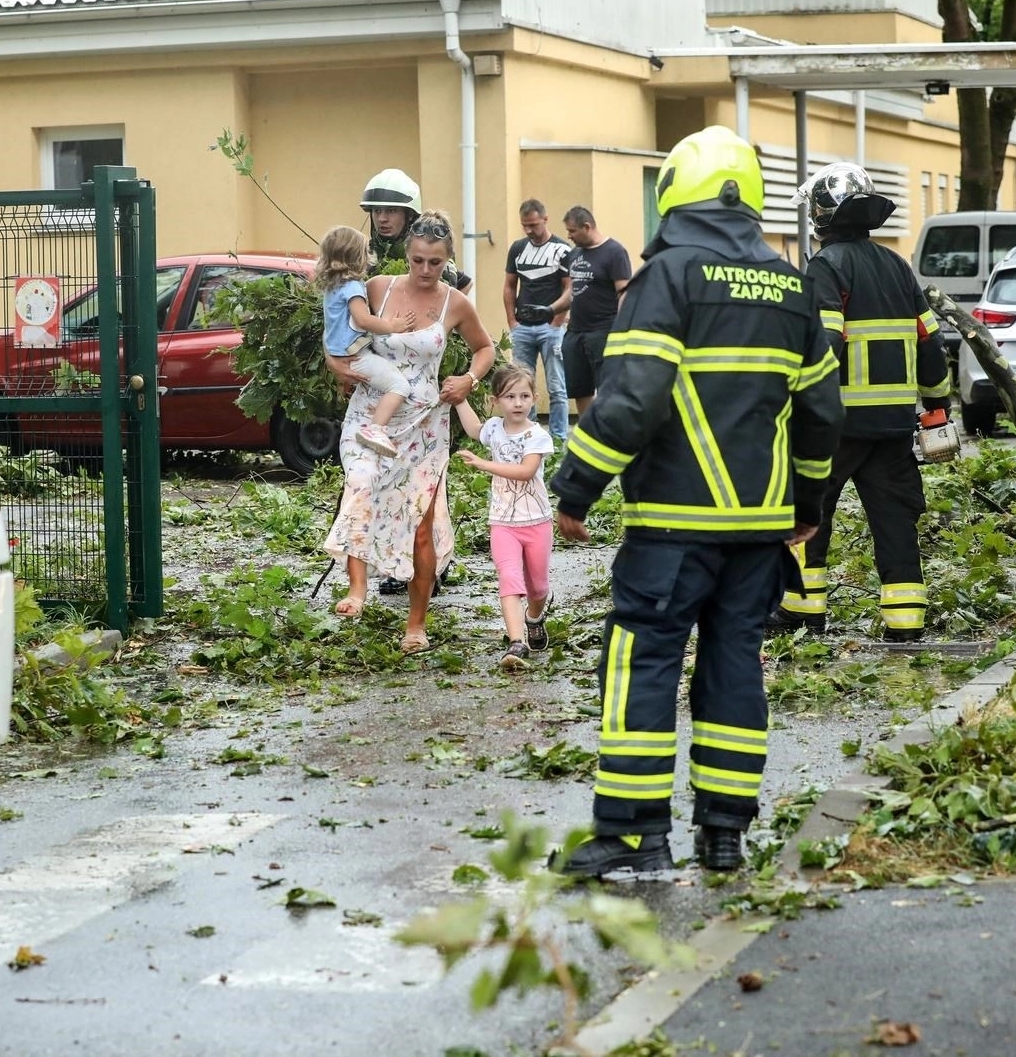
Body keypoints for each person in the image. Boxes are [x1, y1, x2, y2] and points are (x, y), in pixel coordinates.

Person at [548, 126, 843, 879]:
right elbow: (820, 412)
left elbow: (632, 398)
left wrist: (576, 485)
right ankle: (724, 833)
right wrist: (806, 501)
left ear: (678, 189)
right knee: (734, 665)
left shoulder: (669, 276)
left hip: (673, 526)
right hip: (758, 530)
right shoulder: (791, 284)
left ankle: (634, 835)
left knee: (642, 661)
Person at [767, 162, 953, 643]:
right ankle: (905, 624)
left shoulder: (827, 266)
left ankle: (803, 612)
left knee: (808, 513)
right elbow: (930, 345)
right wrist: (937, 408)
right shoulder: (896, 266)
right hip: (893, 427)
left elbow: (824, 341)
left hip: (838, 425)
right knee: (895, 524)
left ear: (822, 216)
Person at [324, 210, 497, 653]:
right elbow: (337, 333)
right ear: (406, 254)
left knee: (421, 523)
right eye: (418, 260)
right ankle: (357, 590)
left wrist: (469, 380)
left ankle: (415, 624)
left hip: (425, 425)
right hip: (371, 415)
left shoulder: (454, 302)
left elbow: (485, 348)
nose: (425, 270)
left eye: (435, 263)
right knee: (360, 488)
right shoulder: (377, 289)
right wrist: (338, 366)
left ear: (447, 261)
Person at [453, 364, 556, 670]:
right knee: (509, 580)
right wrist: (459, 399)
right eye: (510, 396)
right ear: (496, 400)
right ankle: (517, 642)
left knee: (538, 588)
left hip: (537, 521)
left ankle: (534, 617)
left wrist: (483, 465)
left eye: (525, 395)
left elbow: (525, 472)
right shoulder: (495, 428)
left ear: (535, 398)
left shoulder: (537, 435)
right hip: (503, 523)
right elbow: (474, 429)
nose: (518, 402)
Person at [317, 225, 419, 457]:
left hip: (342, 355)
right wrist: (393, 326)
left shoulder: (333, 287)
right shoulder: (353, 287)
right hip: (356, 357)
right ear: (357, 256)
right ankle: (376, 429)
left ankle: (357, 426)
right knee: (399, 386)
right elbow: (363, 319)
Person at [546, 206, 631, 420]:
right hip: (576, 333)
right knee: (580, 390)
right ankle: (587, 433)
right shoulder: (575, 254)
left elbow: (625, 293)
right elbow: (573, 291)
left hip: (603, 331)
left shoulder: (614, 252)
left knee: (607, 390)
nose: (569, 236)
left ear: (587, 226)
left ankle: (608, 433)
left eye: (572, 231)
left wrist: (620, 330)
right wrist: (549, 309)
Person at [503, 199, 572, 442]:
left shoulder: (563, 250)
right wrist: (512, 321)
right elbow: (510, 286)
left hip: (551, 328)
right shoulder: (518, 248)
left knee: (557, 386)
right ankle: (528, 437)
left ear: (545, 219)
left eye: (533, 224)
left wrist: (557, 322)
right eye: (525, 226)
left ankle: (558, 440)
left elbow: (569, 289)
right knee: (521, 386)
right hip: (522, 327)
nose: (529, 230)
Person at [359, 168, 473, 294]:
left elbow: (465, 284)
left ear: (410, 215)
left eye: (391, 211)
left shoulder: (426, 253)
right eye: (377, 211)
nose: (382, 219)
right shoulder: (363, 255)